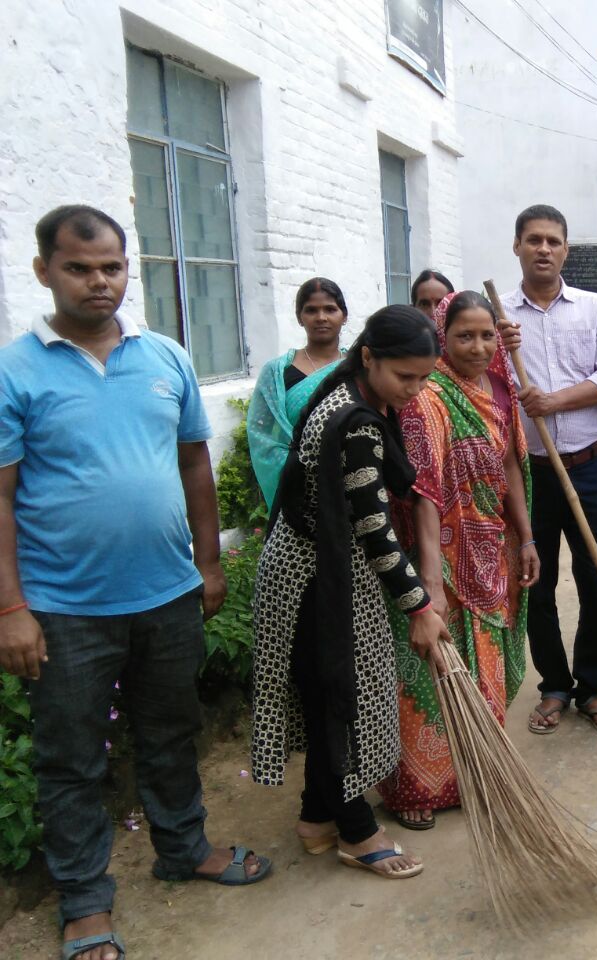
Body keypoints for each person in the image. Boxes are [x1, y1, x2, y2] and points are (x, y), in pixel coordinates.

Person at [0, 205, 268, 960]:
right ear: (43, 270)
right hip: (63, 609)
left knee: (169, 734)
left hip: (166, 595)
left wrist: (209, 563)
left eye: (112, 266)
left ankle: (184, 848)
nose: (98, 282)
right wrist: (12, 607)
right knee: (72, 756)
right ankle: (85, 901)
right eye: (79, 267)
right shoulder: (15, 371)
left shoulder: (165, 358)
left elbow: (193, 464)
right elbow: (1, 495)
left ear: (129, 268)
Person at [251, 304, 449, 881]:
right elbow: (374, 527)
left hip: (319, 565)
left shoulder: (351, 395)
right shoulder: (356, 422)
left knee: (326, 689)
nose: (413, 391)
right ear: (369, 357)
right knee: (341, 693)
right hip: (315, 578)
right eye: (404, 377)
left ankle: (317, 817)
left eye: (422, 379)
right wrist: (419, 604)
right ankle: (356, 830)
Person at [378, 291, 537, 829]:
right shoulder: (429, 396)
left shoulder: (501, 387)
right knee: (430, 671)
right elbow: (423, 490)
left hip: (491, 550)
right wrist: (430, 580)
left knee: (486, 664)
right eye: (464, 335)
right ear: (442, 336)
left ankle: (477, 770)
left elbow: (513, 467)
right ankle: (417, 787)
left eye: (487, 335)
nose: (477, 346)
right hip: (438, 552)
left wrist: (528, 538)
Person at [497, 204, 597, 736]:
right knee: (538, 581)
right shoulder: (498, 316)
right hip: (529, 473)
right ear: (517, 246)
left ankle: (592, 686)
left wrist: (552, 402)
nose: (544, 249)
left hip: (590, 466)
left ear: (566, 249)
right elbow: (484, 387)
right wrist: (499, 355)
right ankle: (554, 685)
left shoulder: (595, 308)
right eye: (534, 240)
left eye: (553, 240)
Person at [246, 277, 348, 509]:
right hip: (295, 486)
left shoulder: (359, 366)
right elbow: (260, 435)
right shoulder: (277, 372)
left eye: (330, 309)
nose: (321, 317)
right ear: (299, 318)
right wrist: (300, 469)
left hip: (352, 479)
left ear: (344, 315)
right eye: (311, 310)